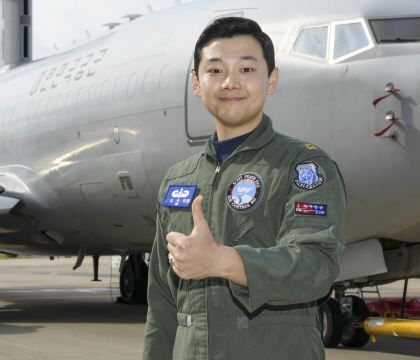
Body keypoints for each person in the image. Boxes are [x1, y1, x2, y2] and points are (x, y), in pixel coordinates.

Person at [143, 17, 345, 360]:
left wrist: (223, 261)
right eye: (215, 71)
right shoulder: (179, 178)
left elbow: (316, 266)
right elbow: (162, 303)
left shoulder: (303, 166)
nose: (230, 83)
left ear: (272, 80)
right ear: (196, 83)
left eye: (247, 69)